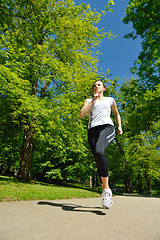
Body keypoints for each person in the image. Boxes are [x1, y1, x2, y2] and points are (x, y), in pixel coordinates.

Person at [80, 80, 123, 209]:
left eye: (99, 85)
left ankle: (106, 191)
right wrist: (93, 101)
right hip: (92, 131)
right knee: (98, 158)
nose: (96, 86)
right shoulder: (88, 100)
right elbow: (82, 115)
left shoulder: (110, 100)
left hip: (107, 127)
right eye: (94, 85)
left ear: (104, 88)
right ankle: (106, 189)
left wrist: (119, 126)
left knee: (99, 151)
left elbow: (116, 113)